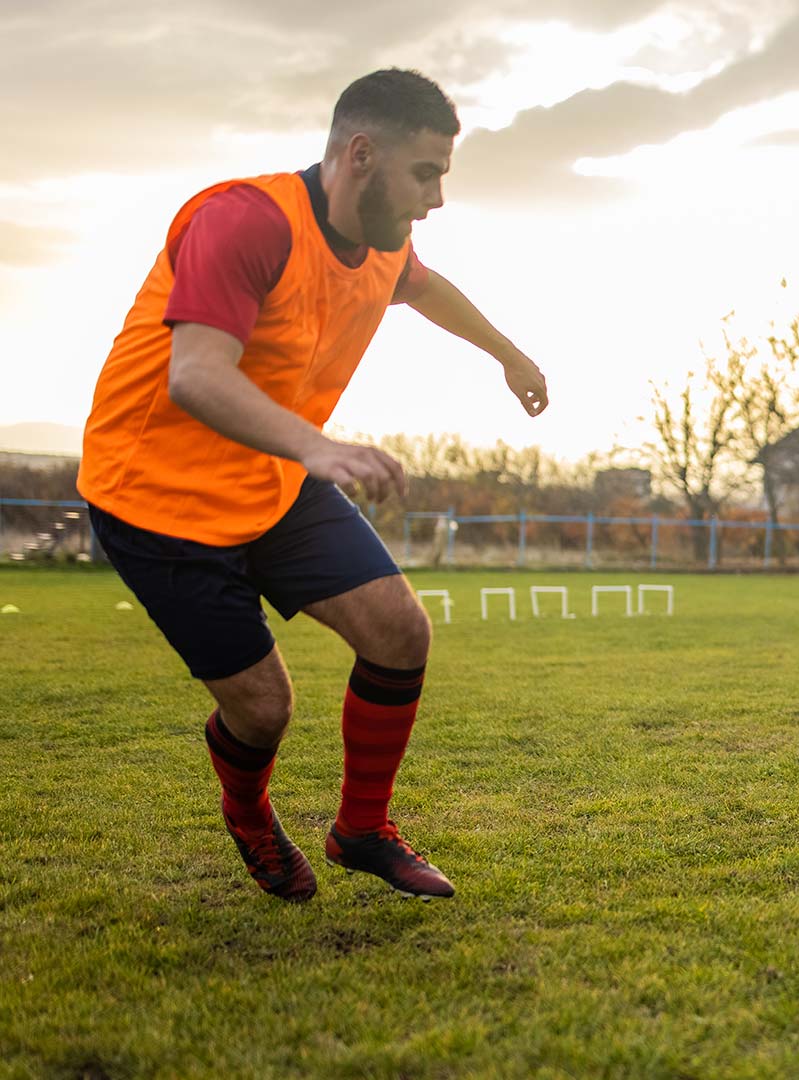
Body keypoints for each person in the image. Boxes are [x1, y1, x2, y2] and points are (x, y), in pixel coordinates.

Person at [79, 69, 550, 902]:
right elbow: (193, 376)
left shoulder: (383, 242)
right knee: (263, 709)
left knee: (400, 632)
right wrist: (319, 449)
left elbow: (426, 287)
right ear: (361, 155)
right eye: (427, 173)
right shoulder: (245, 222)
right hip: (158, 500)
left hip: (273, 477)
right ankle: (252, 819)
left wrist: (508, 354)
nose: (436, 198)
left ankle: (361, 830)